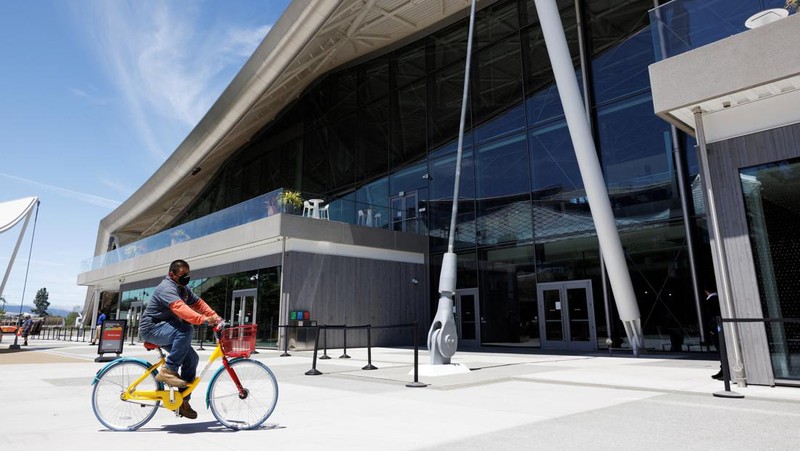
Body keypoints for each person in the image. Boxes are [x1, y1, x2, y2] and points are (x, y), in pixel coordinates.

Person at [139, 259, 221, 420]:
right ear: (172, 274)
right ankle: (168, 371)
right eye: (183, 274)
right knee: (185, 330)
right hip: (151, 328)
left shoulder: (182, 288)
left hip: (165, 328)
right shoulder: (166, 287)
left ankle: (183, 401)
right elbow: (180, 308)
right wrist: (202, 319)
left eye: (188, 274)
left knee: (192, 358)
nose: (186, 278)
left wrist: (214, 315)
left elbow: (198, 303)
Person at [704, 286, 723, 380]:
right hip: (721, 326)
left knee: (720, 349)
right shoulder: (720, 298)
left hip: (715, 328)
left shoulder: (710, 301)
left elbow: (710, 316)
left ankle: (724, 370)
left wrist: (711, 329)